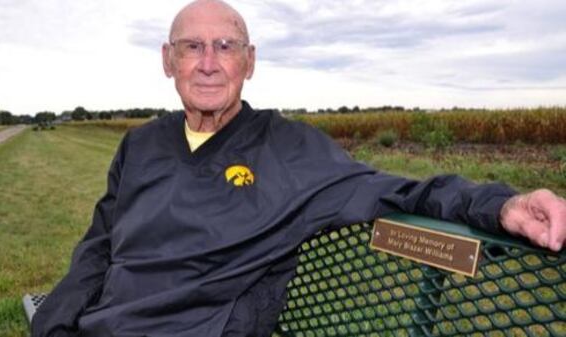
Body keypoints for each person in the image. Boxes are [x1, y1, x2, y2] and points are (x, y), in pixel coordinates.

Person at [32, 1, 566, 336]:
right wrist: (54, 324)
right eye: (192, 47)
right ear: (168, 60)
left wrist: (501, 204)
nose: (209, 62)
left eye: (226, 46)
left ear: (250, 61)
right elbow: (99, 245)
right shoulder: (141, 145)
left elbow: (400, 191)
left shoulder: (290, 149)